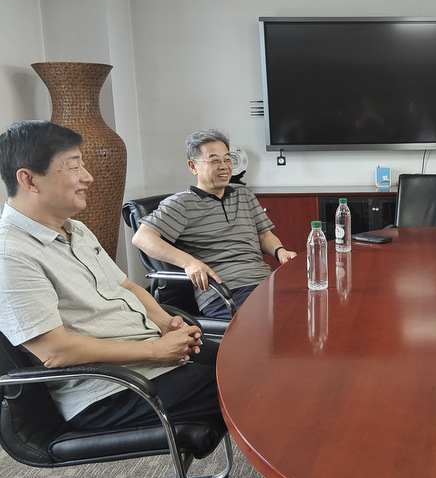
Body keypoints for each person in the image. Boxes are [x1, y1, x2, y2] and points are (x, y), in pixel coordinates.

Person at [0, 120, 221, 430]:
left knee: (253, 363)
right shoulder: (11, 253)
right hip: (111, 390)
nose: (87, 176)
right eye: (73, 166)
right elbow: (54, 351)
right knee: (251, 385)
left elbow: (126, 285)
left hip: (150, 357)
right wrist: (154, 351)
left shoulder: (76, 230)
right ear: (29, 180)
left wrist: (165, 323)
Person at [132, 128, 297, 319]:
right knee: (284, 321)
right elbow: (142, 238)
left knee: (313, 308)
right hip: (225, 291)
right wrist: (189, 263)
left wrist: (280, 251)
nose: (224, 166)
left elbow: (264, 235)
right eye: (214, 160)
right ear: (193, 166)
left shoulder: (244, 194)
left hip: (266, 282)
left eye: (227, 159)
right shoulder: (181, 203)